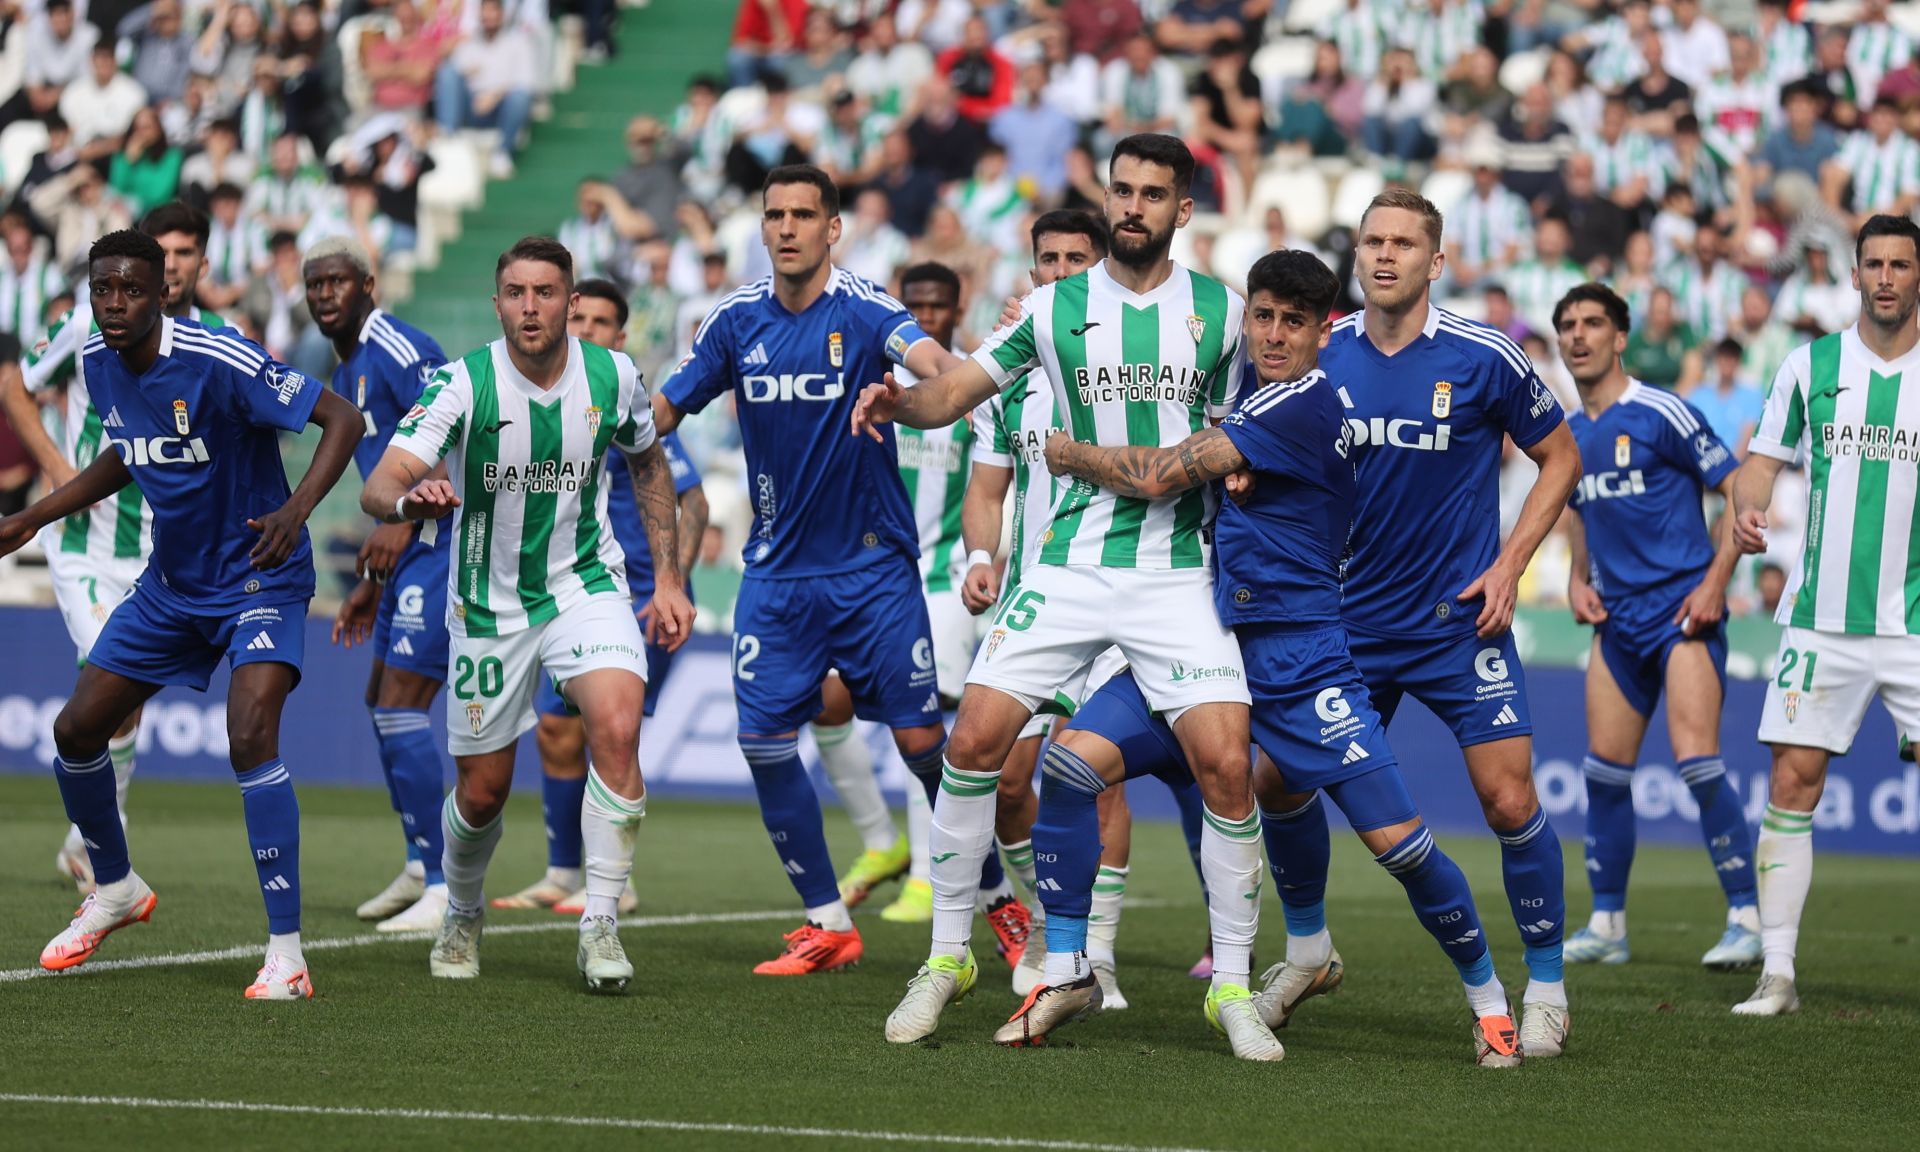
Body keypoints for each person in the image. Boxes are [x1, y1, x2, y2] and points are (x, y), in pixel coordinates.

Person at [1022, 248, 1521, 1066]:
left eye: (1295, 321)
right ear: (1245, 315)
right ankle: (1072, 967)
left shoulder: (1304, 401)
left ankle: (1489, 999)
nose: (1276, 334)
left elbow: (1153, 474)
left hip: (1303, 659)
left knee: (1400, 845)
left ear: (1326, 330)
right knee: (1075, 767)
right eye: (1263, 316)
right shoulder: (1242, 391)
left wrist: (1070, 453)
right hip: (1206, 643)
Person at [853, 134, 1276, 1061]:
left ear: (1183, 209)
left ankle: (1236, 988)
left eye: (1152, 194)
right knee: (972, 742)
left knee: (1227, 766)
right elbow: (955, 391)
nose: (1132, 206)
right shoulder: (1050, 310)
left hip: (1176, 573)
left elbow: (1253, 433)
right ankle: (946, 961)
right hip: (1069, 567)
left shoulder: (1225, 314)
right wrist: (898, 401)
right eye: (1121, 190)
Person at [0, 228, 364, 997]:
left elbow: (343, 420)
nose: (115, 303)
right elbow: (127, 455)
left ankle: (288, 954)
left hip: (260, 575)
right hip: (172, 583)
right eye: (104, 290)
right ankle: (117, 889)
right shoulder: (97, 361)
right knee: (75, 730)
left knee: (249, 733)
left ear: (162, 289)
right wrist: (36, 516)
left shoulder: (218, 357)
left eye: (131, 289)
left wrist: (297, 511)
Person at [1284, 188, 1583, 1060]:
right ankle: (1307, 950)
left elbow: (1560, 457)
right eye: (1371, 241)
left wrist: (1512, 563)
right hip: (1343, 624)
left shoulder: (1485, 356)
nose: (1383, 256)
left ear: (1435, 261)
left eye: (1403, 244)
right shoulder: (1318, 353)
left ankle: (1550, 987)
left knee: (1508, 798)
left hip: (1459, 624)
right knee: (1277, 783)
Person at [655, 165, 975, 976]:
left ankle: (995, 897)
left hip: (873, 571)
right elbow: (659, 414)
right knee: (762, 742)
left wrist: (927, 387)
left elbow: (935, 363)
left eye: (805, 214)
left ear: (834, 228)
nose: (788, 227)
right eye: (775, 214)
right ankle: (828, 922)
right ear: (761, 229)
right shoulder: (731, 324)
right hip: (776, 575)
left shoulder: (868, 309)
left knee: (920, 741)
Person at [359, 237, 694, 993]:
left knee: (616, 719)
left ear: (571, 303)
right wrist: (413, 497)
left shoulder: (611, 374)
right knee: (481, 793)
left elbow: (646, 460)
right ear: (497, 300)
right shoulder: (462, 382)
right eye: (516, 293)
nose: (531, 307)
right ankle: (463, 910)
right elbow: (380, 484)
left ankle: (600, 921)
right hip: (487, 603)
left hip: (586, 583)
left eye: (546, 293)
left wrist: (667, 575)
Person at [968, 210, 1212, 1002]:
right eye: (1051, 259)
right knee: (1008, 780)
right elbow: (987, 487)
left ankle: (1093, 954)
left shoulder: (1142, 356)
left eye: (1080, 258)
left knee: (1090, 771)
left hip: (1130, 583)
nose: (1065, 270)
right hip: (1039, 593)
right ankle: (1042, 917)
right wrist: (981, 556)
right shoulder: (1007, 376)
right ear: (1033, 269)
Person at [0, 202, 226, 892]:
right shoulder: (88, 323)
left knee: (126, 700)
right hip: (87, 546)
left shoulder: (218, 340)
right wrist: (56, 468)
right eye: (165, 251)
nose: (174, 264)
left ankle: (86, 840)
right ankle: (105, 850)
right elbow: (17, 382)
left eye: (186, 253)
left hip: (165, 556)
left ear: (198, 265)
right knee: (115, 685)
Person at [1728, 213, 1920, 1016]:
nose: (1884, 277)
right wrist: (1748, 508)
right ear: (1853, 276)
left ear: (1918, 277)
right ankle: (1778, 972)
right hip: (1819, 621)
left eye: (1899, 265)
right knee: (1792, 782)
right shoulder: (1810, 365)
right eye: (1871, 263)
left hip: (1914, 625)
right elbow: (1760, 463)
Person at [1553, 282, 1761, 974]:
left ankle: (1746, 918)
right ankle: (1607, 923)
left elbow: (1737, 489)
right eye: (1567, 326)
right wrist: (1579, 578)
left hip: (1681, 612)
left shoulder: (1661, 411)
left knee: (1697, 762)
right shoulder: (1570, 436)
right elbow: (1576, 509)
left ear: (1620, 337)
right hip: (1617, 621)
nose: (1578, 336)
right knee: (1603, 773)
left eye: (1592, 323)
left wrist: (1714, 584)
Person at [492, 278, 708, 916]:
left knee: (607, 731)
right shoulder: (539, 403)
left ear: (620, 335)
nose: (583, 328)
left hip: (638, 595)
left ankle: (617, 880)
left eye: (599, 321)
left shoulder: (623, 403)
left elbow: (692, 499)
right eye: (576, 315)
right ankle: (563, 872)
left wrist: (672, 583)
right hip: (565, 594)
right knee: (556, 732)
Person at [304, 237, 452, 934]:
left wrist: (408, 518)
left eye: (336, 281)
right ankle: (422, 862)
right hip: (408, 546)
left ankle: (447, 880)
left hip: (446, 541)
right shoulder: (349, 365)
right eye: (314, 285)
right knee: (379, 699)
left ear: (368, 283)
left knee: (401, 703)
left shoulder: (396, 344)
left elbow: (455, 422)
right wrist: (370, 572)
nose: (324, 295)